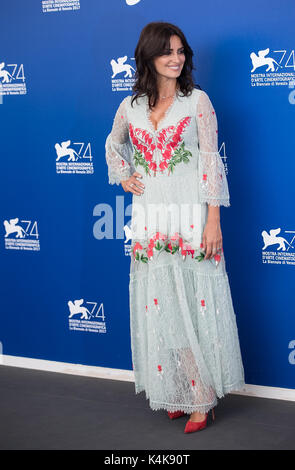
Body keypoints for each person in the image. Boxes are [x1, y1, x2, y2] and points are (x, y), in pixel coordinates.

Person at [105, 21, 245, 434]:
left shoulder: (196, 101)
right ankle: (185, 388)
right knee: (164, 304)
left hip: (190, 216)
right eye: (167, 51)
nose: (176, 58)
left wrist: (213, 221)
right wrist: (124, 175)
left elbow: (209, 163)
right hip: (150, 216)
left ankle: (203, 395)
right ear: (149, 56)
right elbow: (114, 143)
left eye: (181, 51)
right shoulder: (131, 106)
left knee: (195, 303)